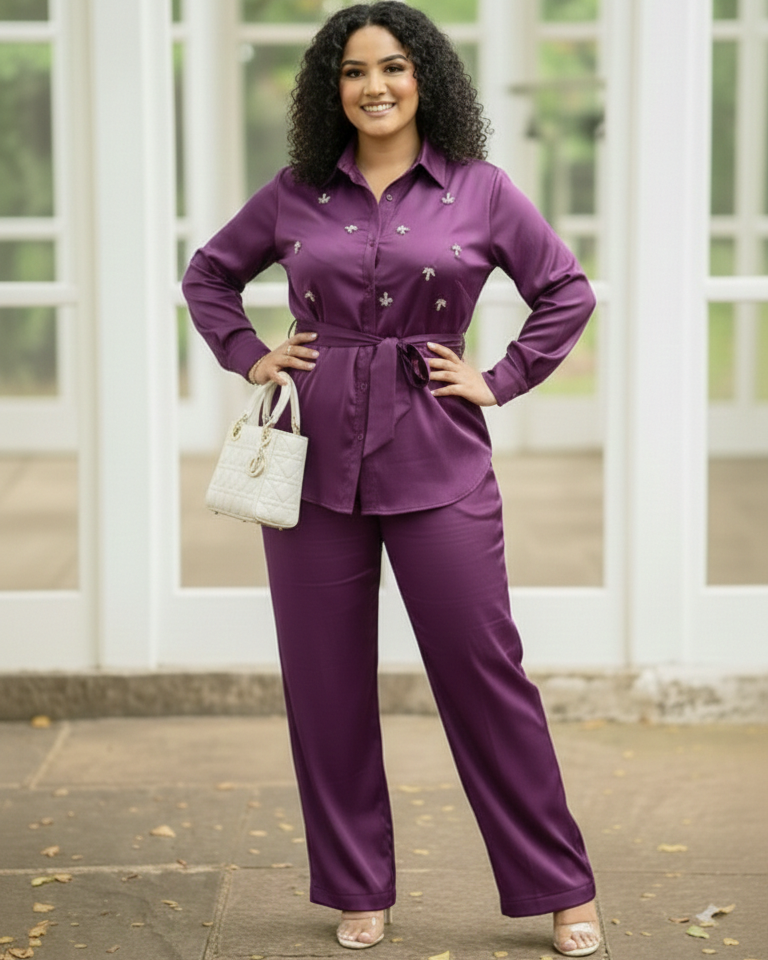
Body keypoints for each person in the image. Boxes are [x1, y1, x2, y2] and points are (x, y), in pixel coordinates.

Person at [182, 3, 601, 956]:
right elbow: (209, 274)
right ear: (332, 89)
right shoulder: (296, 192)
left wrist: (497, 379)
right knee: (324, 683)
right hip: (310, 471)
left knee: (484, 674)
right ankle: (355, 884)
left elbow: (564, 290)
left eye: (395, 68)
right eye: (354, 71)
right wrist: (251, 354)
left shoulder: (483, 190)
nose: (375, 86)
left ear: (426, 81)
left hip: (439, 457)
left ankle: (559, 885)